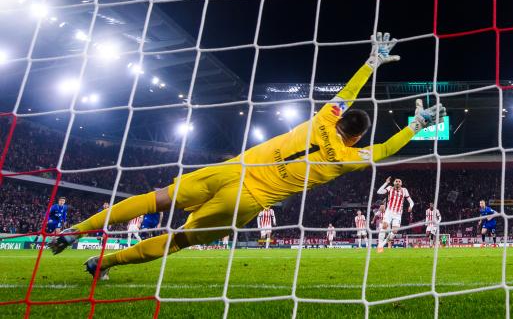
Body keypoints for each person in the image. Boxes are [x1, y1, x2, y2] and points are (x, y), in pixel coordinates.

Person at [48, 33, 446, 280]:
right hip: (246, 200)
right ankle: (106, 263)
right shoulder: (347, 158)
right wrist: (416, 126)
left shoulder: (323, 119)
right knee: (178, 240)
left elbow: (345, 95)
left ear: (342, 120)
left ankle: (76, 230)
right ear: (357, 138)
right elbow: (385, 150)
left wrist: (371, 61)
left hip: (231, 169)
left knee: (159, 198)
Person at [376, 177, 414, 253]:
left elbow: (411, 202)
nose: (397, 182)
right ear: (393, 183)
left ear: (401, 184)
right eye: (396, 181)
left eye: (399, 181)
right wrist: (386, 183)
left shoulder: (404, 190)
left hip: (398, 214)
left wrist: (411, 206)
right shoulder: (390, 188)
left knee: (394, 231)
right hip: (389, 212)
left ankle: (382, 244)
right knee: (384, 226)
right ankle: (380, 246)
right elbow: (379, 192)